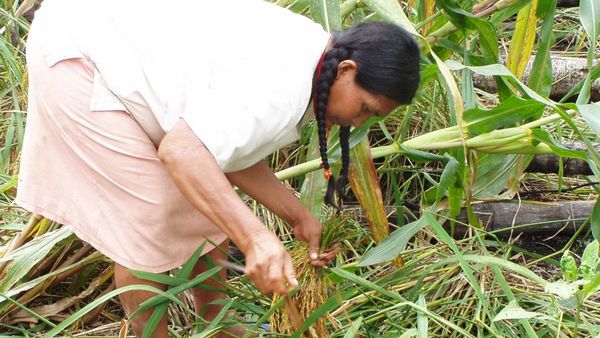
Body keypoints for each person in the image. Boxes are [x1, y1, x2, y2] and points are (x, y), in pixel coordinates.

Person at [16, 0, 420, 336]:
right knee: (151, 215)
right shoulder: (283, 86)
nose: (359, 123)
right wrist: (256, 238)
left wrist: (297, 216)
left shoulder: (315, 58)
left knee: (207, 198)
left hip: (107, 38)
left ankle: (218, 324)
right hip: (81, 56)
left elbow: (226, 154)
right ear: (346, 70)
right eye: (364, 109)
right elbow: (183, 152)